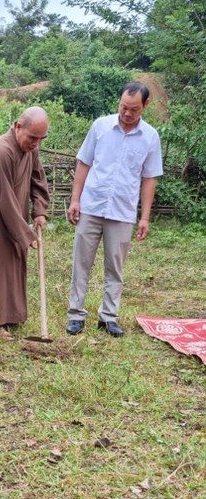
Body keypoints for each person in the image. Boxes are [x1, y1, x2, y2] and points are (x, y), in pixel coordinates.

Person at [66, 82, 163, 337]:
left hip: (122, 211)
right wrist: (75, 199)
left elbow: (149, 178)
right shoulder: (100, 127)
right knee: (81, 264)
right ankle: (76, 315)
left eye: (133, 109)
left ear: (146, 105)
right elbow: (84, 163)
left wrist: (144, 217)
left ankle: (108, 317)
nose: (127, 113)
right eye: (123, 107)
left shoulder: (150, 137)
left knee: (115, 267)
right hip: (92, 205)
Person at [0, 106, 50, 340]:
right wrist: (25, 234)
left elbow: (38, 179)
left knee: (12, 266)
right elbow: (4, 197)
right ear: (17, 127)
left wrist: (39, 210)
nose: (36, 143)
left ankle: (9, 316)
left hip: (16, 214)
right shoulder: (1, 151)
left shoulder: (30, 149)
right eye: (32, 137)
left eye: (40, 139)